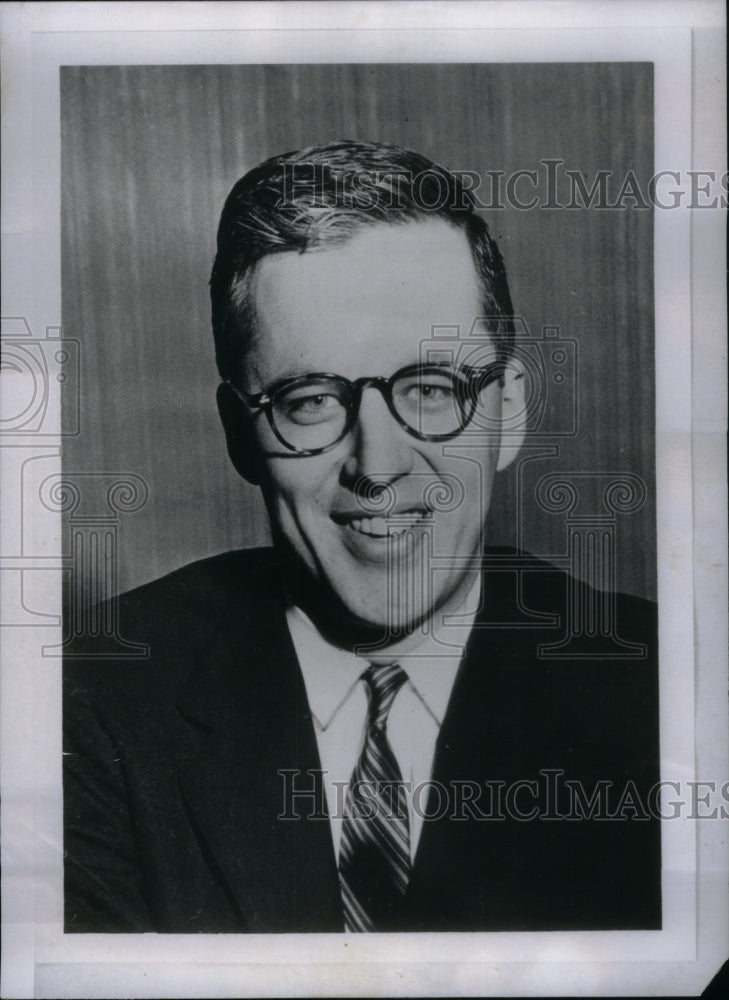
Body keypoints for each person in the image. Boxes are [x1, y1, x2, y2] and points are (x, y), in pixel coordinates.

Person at [64, 140, 660, 934]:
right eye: (310, 400)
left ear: (508, 410)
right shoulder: (95, 701)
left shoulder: (663, 692)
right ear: (240, 434)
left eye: (429, 387)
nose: (377, 465)